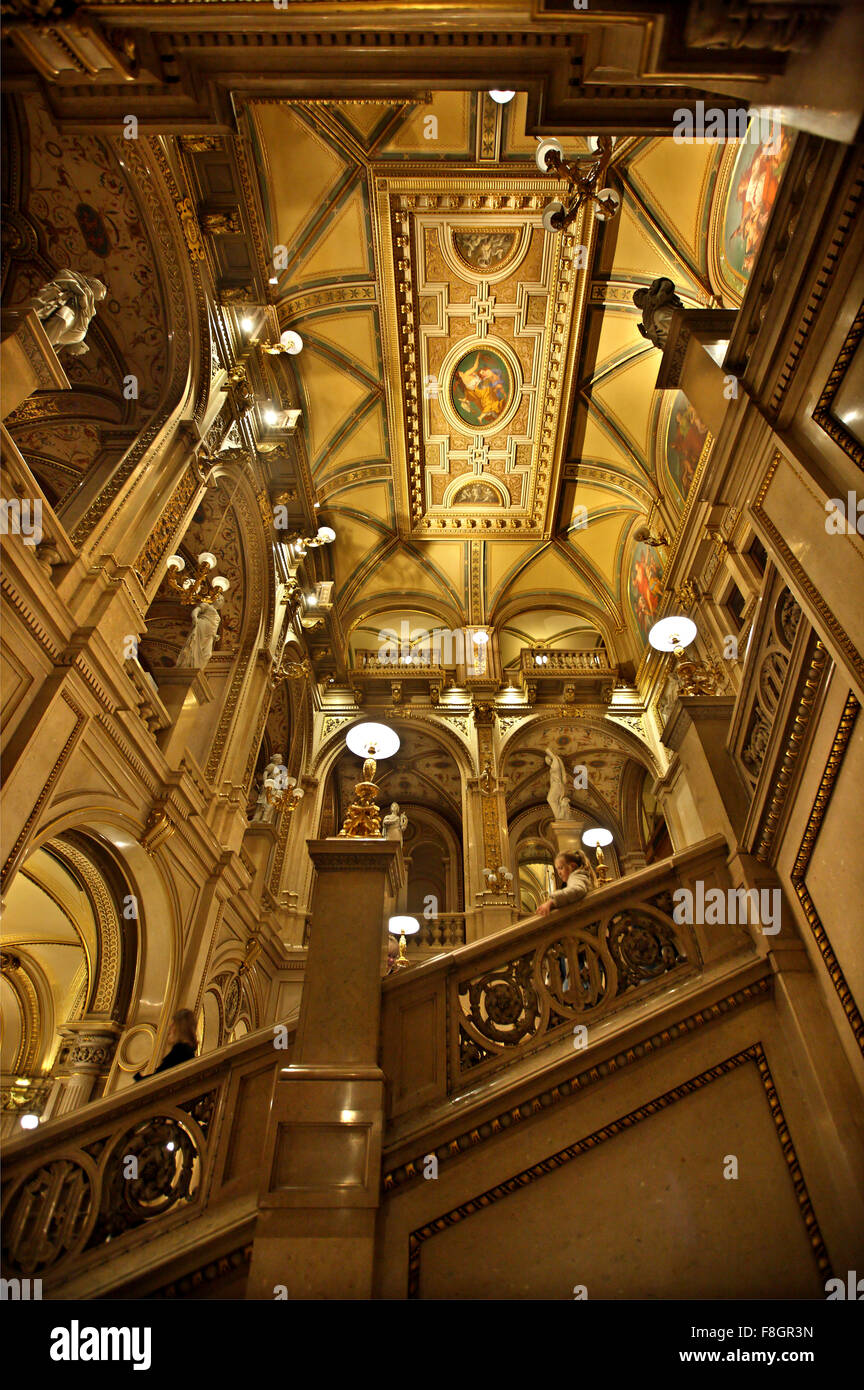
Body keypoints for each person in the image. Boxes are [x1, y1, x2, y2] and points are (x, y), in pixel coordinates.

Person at [134, 1009, 197, 1081]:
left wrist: (139, 1078)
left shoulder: (180, 1051)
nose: (169, 1031)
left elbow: (158, 1078)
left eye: (172, 1026)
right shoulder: (187, 1051)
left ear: (180, 1027)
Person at [536, 851, 593, 917]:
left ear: (572, 866)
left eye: (561, 868)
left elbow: (577, 890)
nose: (559, 873)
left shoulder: (575, 876)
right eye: (557, 870)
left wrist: (552, 901)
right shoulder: (580, 876)